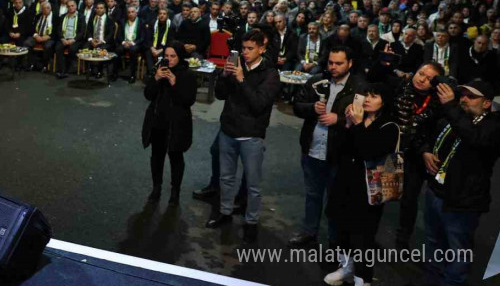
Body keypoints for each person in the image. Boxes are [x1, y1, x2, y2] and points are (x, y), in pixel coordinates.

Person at [420, 79, 500, 286]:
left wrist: (450, 106)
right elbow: (429, 134)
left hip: (462, 201)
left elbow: (473, 138)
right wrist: (426, 152)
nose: (464, 99)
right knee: (433, 244)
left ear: (486, 103)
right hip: (435, 192)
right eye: (462, 95)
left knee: (457, 253)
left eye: (471, 96)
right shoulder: (455, 117)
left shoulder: (494, 127)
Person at [206, 29, 282, 242]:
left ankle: (251, 222)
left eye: (250, 49)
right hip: (228, 130)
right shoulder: (236, 65)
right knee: (226, 178)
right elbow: (220, 94)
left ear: (262, 49)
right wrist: (224, 75)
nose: (245, 53)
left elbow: (259, 103)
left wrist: (241, 80)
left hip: (251, 136)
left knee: (253, 184)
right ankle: (225, 212)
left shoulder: (270, 74)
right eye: (244, 48)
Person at [324, 83, 399, 286]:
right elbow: (342, 149)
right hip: (346, 181)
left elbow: (369, 151)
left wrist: (357, 125)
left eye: (374, 96)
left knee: (363, 235)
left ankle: (363, 278)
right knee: (343, 228)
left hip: (369, 189)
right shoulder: (360, 119)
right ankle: (346, 268)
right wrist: (348, 125)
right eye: (367, 95)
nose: (367, 99)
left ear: (385, 102)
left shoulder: (390, 126)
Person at [290, 47, 363, 247]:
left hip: (339, 155)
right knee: (312, 195)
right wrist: (311, 108)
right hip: (312, 149)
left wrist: (338, 120)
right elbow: (297, 105)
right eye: (331, 62)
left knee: (336, 201)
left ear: (350, 63)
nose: (333, 67)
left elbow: (364, 121)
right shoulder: (316, 81)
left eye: (339, 63)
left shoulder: (359, 87)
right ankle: (309, 232)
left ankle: (334, 242)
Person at [369, 60, 444, 249]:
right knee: (381, 196)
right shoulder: (398, 87)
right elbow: (374, 77)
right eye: (421, 74)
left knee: (409, 201)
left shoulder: (438, 101)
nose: (423, 80)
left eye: (429, 79)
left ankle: (402, 242)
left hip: (416, 156)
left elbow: (434, 131)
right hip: (391, 150)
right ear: (415, 72)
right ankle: (368, 237)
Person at [141, 41, 198, 205]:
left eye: (173, 56)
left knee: (176, 158)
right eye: (166, 56)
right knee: (156, 157)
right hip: (158, 122)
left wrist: (174, 83)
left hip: (176, 124)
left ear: (179, 57)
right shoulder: (159, 70)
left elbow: (187, 100)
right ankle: (156, 188)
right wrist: (156, 78)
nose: (169, 59)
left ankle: (175, 192)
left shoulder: (187, 75)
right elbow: (148, 94)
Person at [53, 0, 86, 79]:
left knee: (72, 49)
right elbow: (59, 30)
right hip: (64, 39)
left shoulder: (81, 17)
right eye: (69, 6)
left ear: (76, 6)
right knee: (58, 48)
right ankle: (61, 70)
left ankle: (67, 69)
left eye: (72, 6)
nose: (70, 8)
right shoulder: (63, 17)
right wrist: (62, 38)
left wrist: (73, 40)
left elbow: (82, 31)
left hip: (75, 39)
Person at [23, 2, 55, 71]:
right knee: (26, 43)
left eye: (47, 8)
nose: (46, 10)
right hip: (37, 36)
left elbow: (57, 31)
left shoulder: (55, 17)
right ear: (41, 9)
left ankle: (44, 66)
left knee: (48, 46)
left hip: (49, 37)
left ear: (51, 8)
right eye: (44, 8)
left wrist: (48, 37)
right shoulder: (38, 16)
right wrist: (35, 35)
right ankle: (30, 64)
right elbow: (31, 28)